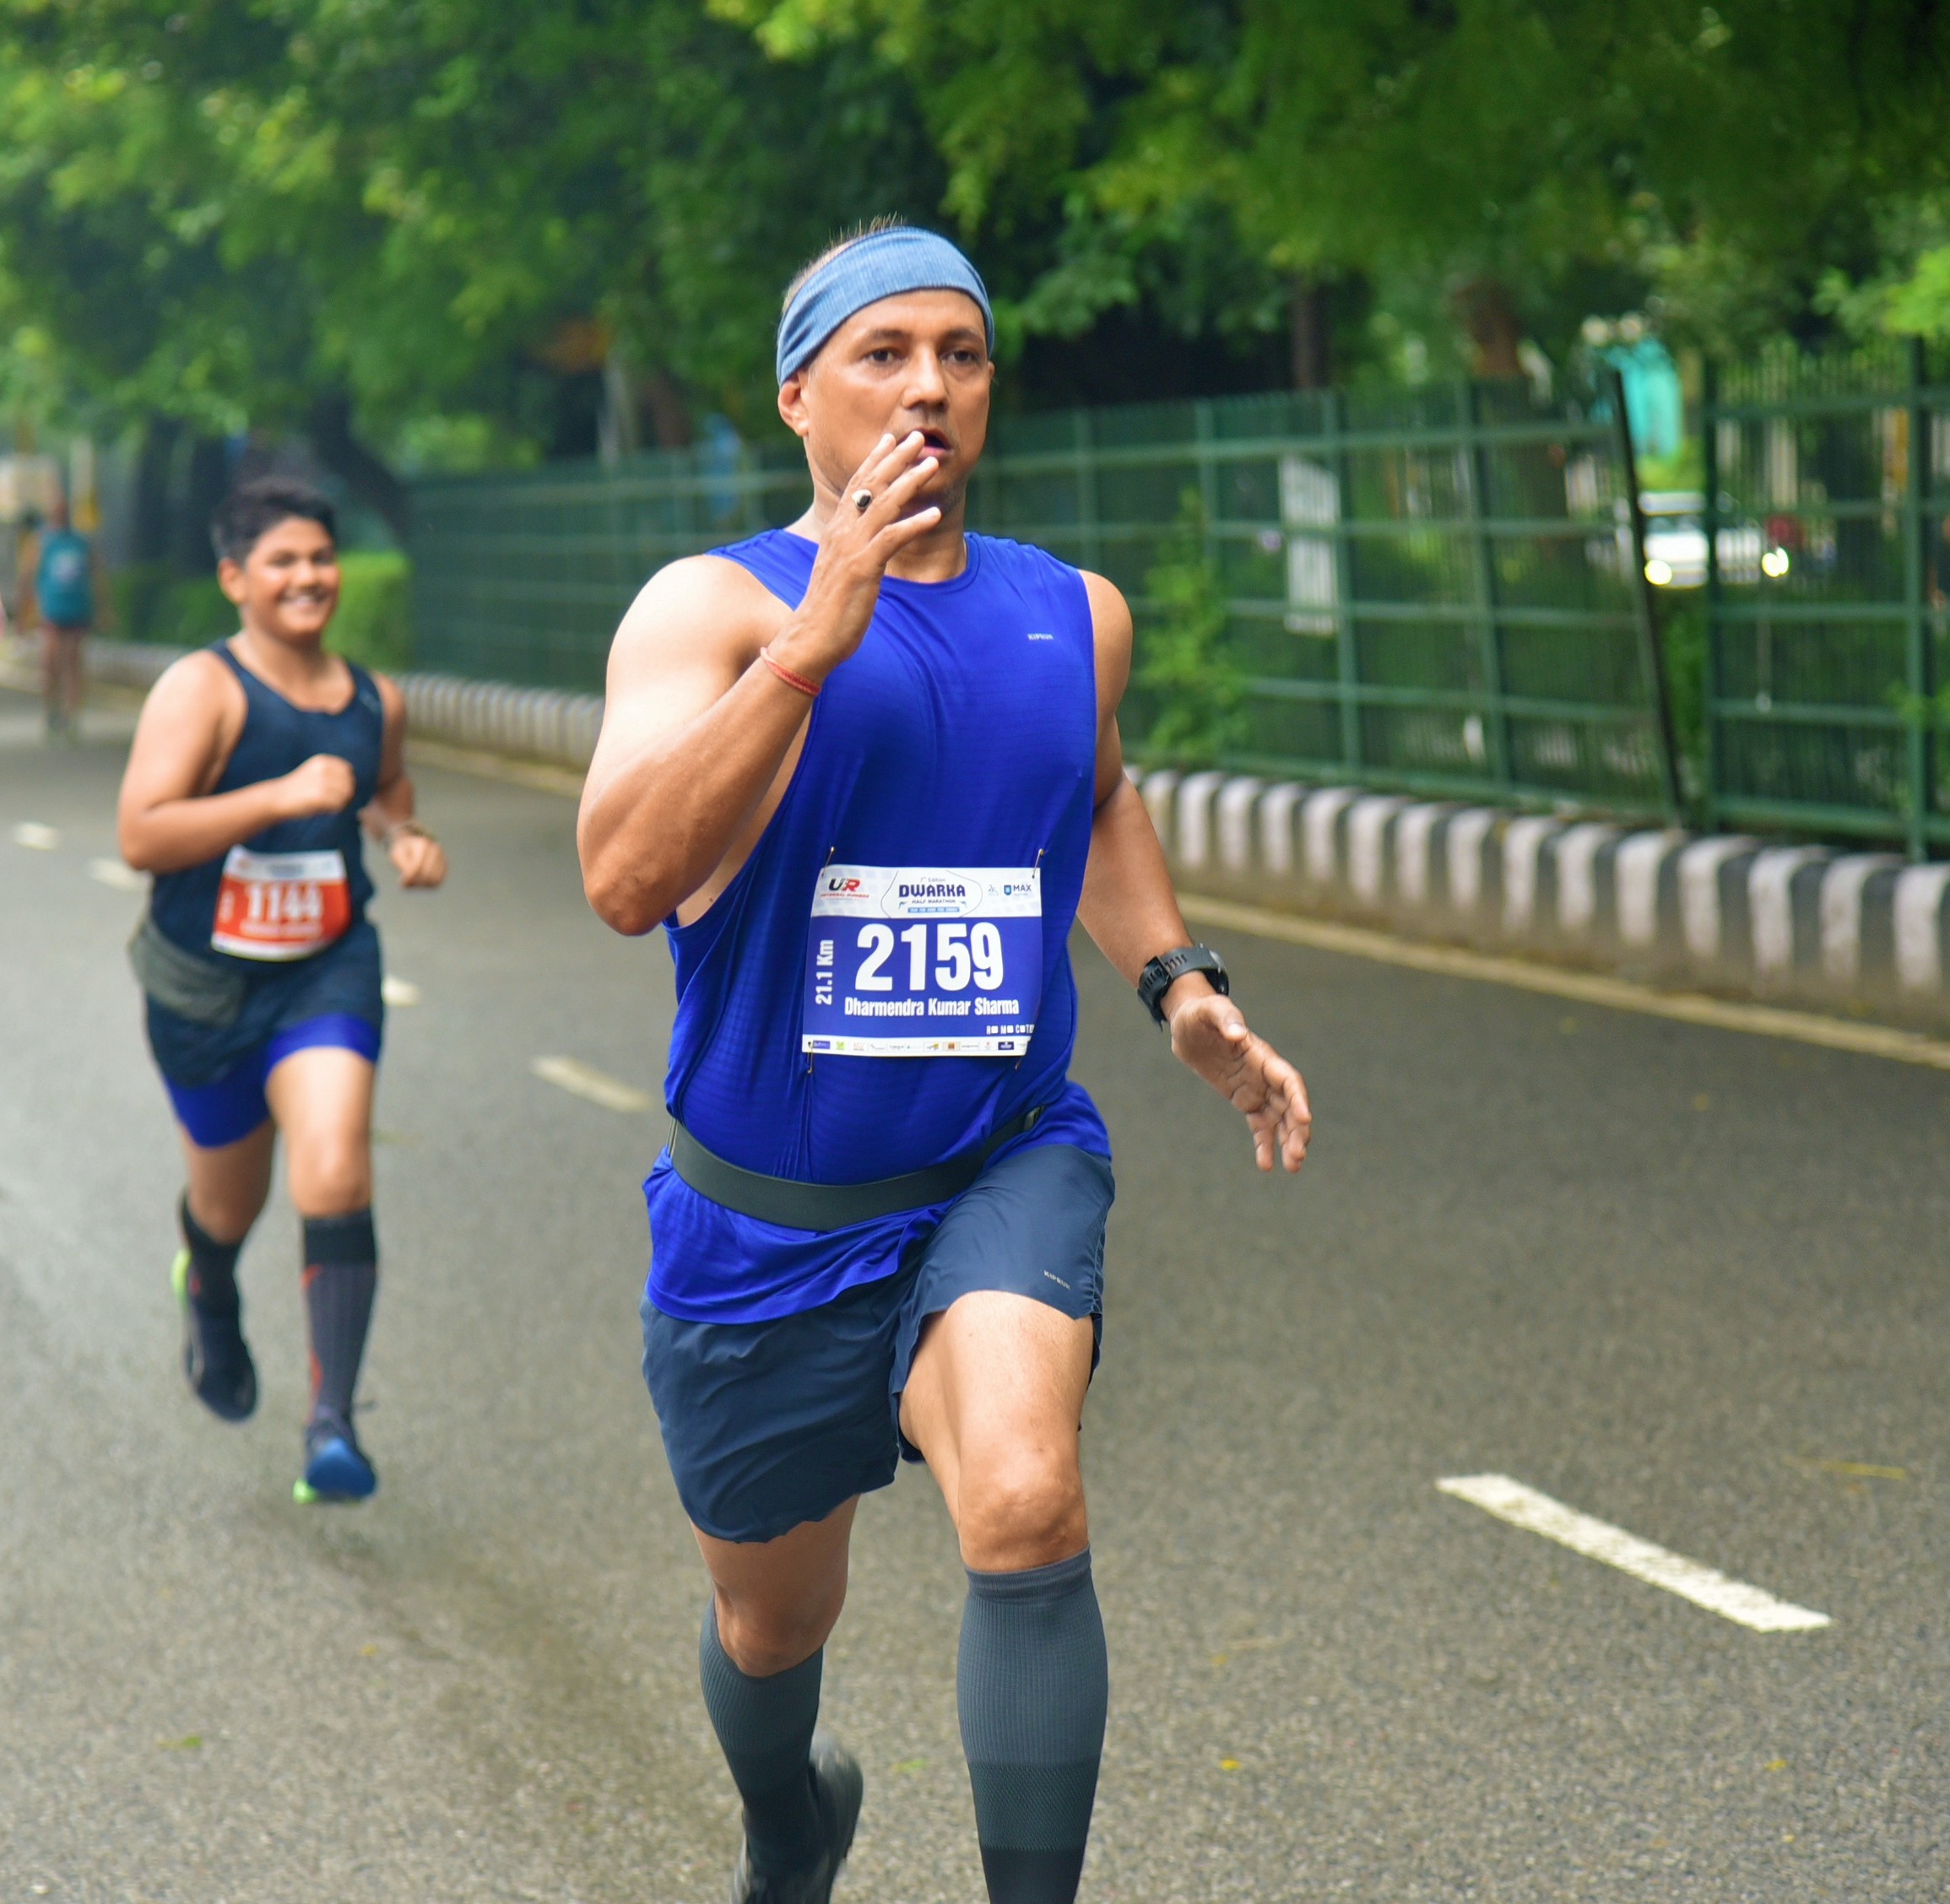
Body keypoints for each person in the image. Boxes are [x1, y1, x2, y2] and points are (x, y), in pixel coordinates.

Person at [577, 221, 1314, 1904]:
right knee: (771, 1625)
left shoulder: (1072, 614)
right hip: (764, 1217)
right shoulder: (709, 609)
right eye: (884, 352)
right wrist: (812, 642)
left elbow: (1094, 792)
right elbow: (622, 878)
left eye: (961, 355)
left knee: (1028, 1500)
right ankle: (788, 1819)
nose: (929, 386)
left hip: (998, 1157)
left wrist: (1175, 981)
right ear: (798, 395)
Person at [115, 476, 447, 1504]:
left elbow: (381, 788)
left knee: (336, 1171)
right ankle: (210, 1286)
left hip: (325, 968)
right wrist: (276, 796)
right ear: (235, 579)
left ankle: (332, 1426)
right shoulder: (203, 691)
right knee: (230, 1203)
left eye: (320, 558)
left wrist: (402, 834)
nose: (308, 578)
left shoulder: (373, 699)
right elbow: (142, 834)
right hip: (204, 988)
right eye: (282, 562)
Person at [27, 500, 97, 741]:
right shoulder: (41, 543)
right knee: (51, 663)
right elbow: (29, 576)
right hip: (52, 611)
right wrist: (28, 611)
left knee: (73, 663)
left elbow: (96, 575)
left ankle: (72, 715)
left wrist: (102, 609)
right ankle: (52, 711)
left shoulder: (81, 543)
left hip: (77, 609)